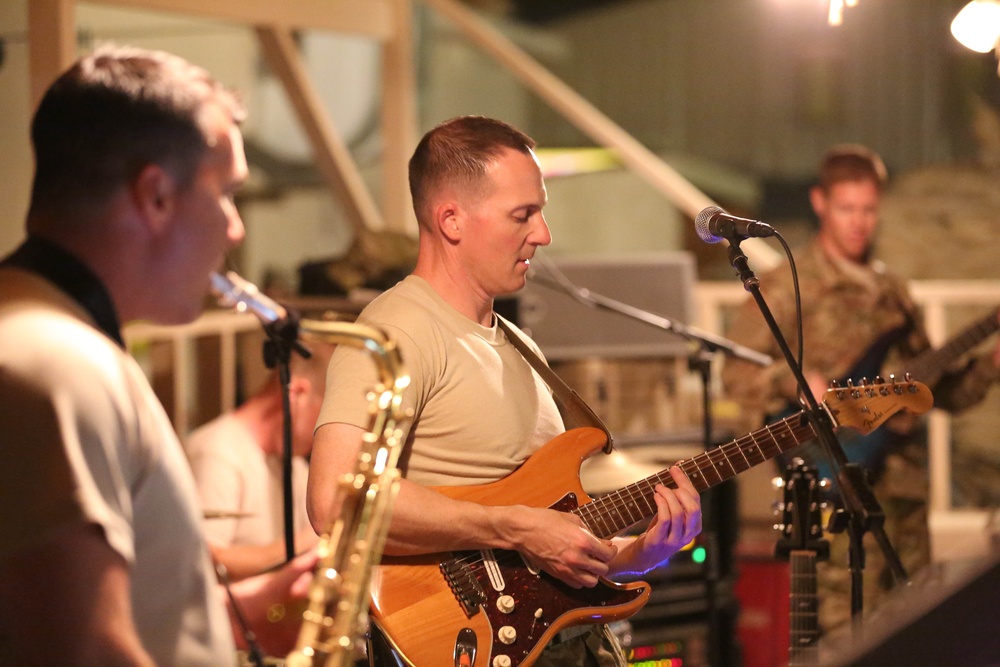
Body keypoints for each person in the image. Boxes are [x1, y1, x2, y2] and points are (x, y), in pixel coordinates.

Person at [307, 115, 703, 666]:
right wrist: (513, 525)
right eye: (524, 214)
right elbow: (335, 502)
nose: (543, 234)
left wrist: (637, 553)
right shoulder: (394, 332)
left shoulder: (522, 347)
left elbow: (552, 538)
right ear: (451, 220)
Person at [0, 45, 318, 665]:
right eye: (226, 194)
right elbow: (84, 652)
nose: (235, 229)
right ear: (156, 196)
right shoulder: (57, 365)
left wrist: (239, 615)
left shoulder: (50, 338)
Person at [721, 144, 1000, 634]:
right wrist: (794, 379)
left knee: (917, 641)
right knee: (838, 642)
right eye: (847, 208)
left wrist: (990, 365)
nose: (859, 222)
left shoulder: (894, 293)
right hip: (832, 497)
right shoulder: (786, 285)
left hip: (903, 501)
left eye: (869, 209)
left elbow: (938, 391)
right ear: (819, 202)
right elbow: (736, 375)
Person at [185, 342, 335, 581]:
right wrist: (318, 536)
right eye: (328, 416)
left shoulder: (294, 463)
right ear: (298, 393)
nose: (328, 433)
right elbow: (201, 558)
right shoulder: (216, 452)